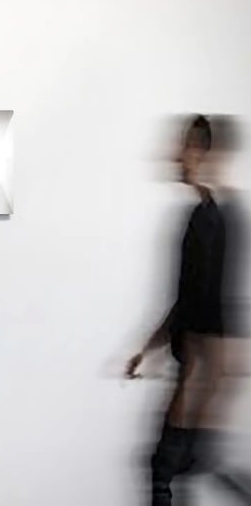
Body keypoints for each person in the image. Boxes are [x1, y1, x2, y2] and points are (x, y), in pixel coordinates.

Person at [126, 115, 228, 505]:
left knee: (163, 475)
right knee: (169, 475)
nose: (174, 155)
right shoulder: (200, 218)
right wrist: (148, 349)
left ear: (201, 152)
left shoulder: (209, 222)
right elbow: (185, 300)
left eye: (183, 146)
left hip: (194, 381)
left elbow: (208, 310)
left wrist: (195, 390)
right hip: (191, 378)